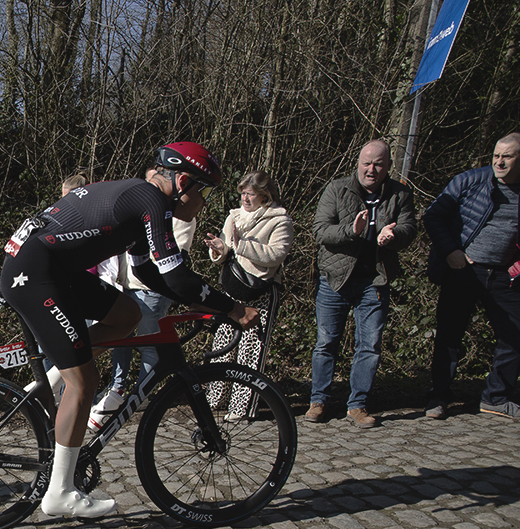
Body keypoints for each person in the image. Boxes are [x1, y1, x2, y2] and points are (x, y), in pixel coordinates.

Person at [0, 141, 258, 519]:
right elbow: (177, 277)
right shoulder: (150, 200)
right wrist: (232, 307)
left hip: (49, 268)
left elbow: (148, 273)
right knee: (84, 382)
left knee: (126, 314)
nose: (203, 202)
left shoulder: (139, 200)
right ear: (183, 181)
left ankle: (59, 370)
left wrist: (202, 300)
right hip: (37, 274)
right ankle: (60, 492)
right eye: (203, 191)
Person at [307, 139, 417, 428]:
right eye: (366, 163)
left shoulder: (400, 194)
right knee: (326, 343)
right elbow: (319, 230)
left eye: (378, 163)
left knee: (369, 344)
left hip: (375, 280)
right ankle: (318, 401)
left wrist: (395, 236)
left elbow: (409, 228)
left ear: (388, 166)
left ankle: (357, 405)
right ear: (357, 163)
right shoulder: (337, 188)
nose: (371, 169)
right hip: (335, 279)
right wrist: (350, 231)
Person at [88, 170, 196, 432]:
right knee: (108, 344)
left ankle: (137, 395)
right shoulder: (142, 208)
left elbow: (170, 263)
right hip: (128, 284)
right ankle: (119, 391)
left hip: (151, 288)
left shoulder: (176, 214)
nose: (150, 187)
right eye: (148, 180)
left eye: (155, 181)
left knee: (148, 345)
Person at [423, 133, 520, 421]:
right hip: (464, 269)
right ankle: (438, 396)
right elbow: (433, 216)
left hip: (505, 275)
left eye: (507, 156)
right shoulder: (470, 181)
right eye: (496, 156)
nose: (499, 162)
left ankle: (495, 397)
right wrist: (451, 251)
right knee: (450, 336)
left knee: (514, 335)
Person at [203, 170, 295, 419]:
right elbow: (225, 251)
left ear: (264, 196)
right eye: (242, 192)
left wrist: (241, 245)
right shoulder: (233, 217)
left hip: (260, 291)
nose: (245, 198)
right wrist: (219, 248)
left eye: (250, 194)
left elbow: (276, 255)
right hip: (233, 290)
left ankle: (241, 407)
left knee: (251, 350)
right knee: (223, 344)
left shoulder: (280, 221)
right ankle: (214, 399)